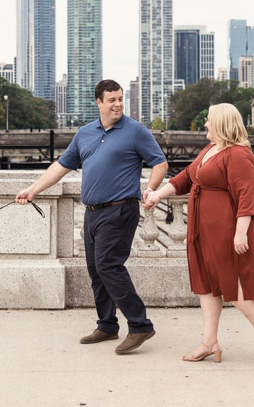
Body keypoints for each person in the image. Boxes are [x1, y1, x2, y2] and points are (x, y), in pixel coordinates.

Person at [16, 79, 168, 354]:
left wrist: (150, 189)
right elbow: (61, 166)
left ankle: (140, 324)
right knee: (96, 271)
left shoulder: (135, 131)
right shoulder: (84, 133)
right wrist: (32, 190)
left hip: (121, 209)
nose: (117, 104)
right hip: (92, 212)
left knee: (109, 266)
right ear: (98, 102)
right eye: (111, 99)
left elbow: (160, 162)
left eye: (120, 98)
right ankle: (108, 325)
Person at [143, 102, 254, 364]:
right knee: (207, 285)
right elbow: (186, 177)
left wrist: (241, 232)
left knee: (235, 286)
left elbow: (246, 197)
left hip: (227, 229)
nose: (206, 124)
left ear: (221, 123)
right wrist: (156, 195)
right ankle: (209, 342)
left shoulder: (239, 154)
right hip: (203, 228)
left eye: (209, 120)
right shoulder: (211, 149)